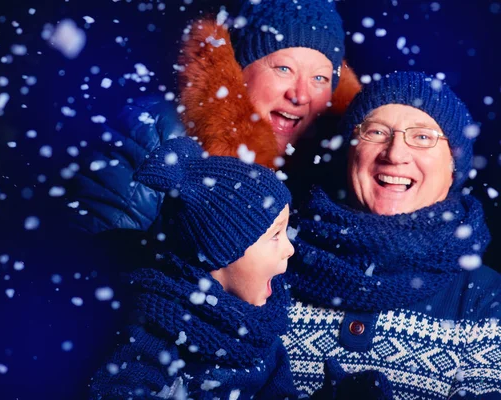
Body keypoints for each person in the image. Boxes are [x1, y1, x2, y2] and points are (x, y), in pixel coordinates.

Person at [89, 136, 394, 399]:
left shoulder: (260, 335)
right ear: (219, 252)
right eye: (274, 235)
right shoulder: (153, 334)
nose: (289, 248)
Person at [281, 71, 501, 399]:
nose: (395, 154)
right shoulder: (273, 265)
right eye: (376, 132)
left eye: (423, 137)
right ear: (349, 153)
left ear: (454, 166)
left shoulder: (487, 300)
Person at [69, 0, 361, 234]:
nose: (300, 95)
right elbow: (93, 257)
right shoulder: (158, 131)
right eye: (283, 69)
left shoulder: (334, 168)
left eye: (320, 78)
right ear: (238, 68)